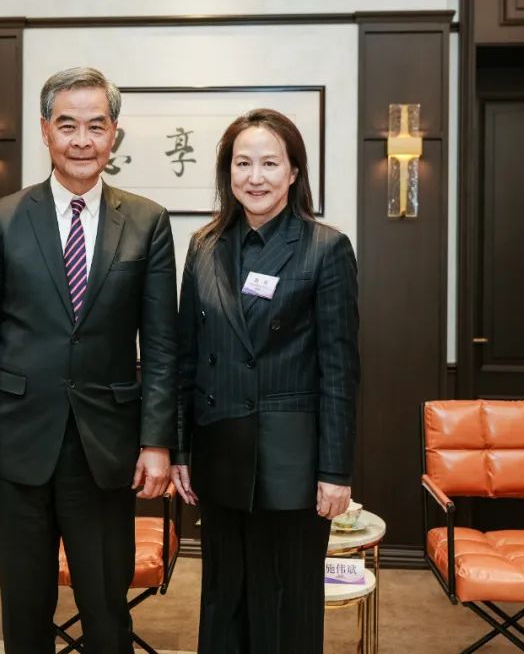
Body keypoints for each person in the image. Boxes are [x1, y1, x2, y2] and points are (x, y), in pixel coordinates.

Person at [0, 67, 177, 654]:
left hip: (106, 449)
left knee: (107, 613)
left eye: (96, 126)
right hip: (17, 443)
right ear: (46, 130)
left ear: (114, 134)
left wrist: (157, 441)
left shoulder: (148, 222)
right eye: (68, 125)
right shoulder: (2, 220)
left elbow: (161, 345)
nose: (82, 140)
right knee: (25, 614)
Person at [171, 108, 360, 654]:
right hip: (219, 453)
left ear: (294, 171)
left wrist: (335, 471)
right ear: (227, 171)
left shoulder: (324, 248)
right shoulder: (205, 245)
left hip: (289, 463)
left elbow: (339, 369)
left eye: (270, 163)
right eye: (242, 163)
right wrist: (181, 450)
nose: (255, 177)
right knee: (223, 600)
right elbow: (187, 357)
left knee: (286, 604)